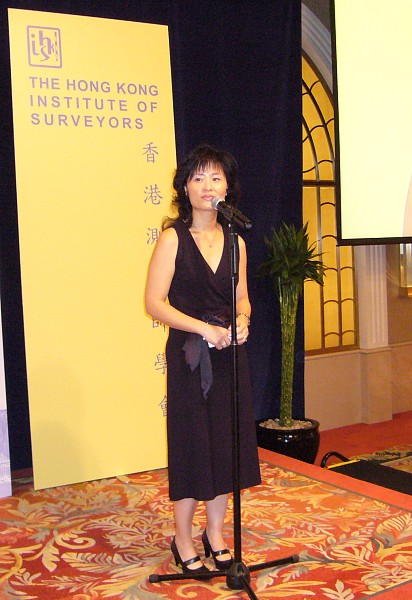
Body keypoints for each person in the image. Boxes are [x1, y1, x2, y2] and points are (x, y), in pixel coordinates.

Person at [145, 143, 261, 575]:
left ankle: (216, 535)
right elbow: (154, 303)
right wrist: (202, 329)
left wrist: (243, 319)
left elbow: (242, 297)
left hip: (230, 356)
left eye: (215, 177)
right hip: (190, 357)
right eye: (198, 178)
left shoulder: (236, 242)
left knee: (225, 445)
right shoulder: (173, 238)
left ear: (227, 187)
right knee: (193, 444)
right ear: (185, 188)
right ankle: (183, 539)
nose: (207, 186)